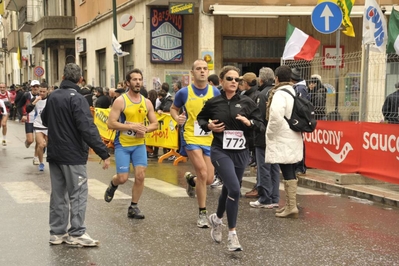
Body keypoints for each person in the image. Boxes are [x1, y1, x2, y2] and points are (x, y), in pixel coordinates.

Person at [41, 63, 111, 247]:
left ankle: (57, 233)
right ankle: (77, 233)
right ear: (80, 80)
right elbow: (87, 128)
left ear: (63, 77)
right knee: (78, 193)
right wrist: (103, 153)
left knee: (58, 195)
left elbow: (44, 119)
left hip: (55, 153)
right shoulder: (78, 99)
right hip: (72, 155)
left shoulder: (53, 96)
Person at [197, 65, 264, 251]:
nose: (234, 82)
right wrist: (209, 126)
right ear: (222, 81)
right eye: (230, 79)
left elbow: (260, 124)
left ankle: (217, 219)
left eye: (237, 79)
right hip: (220, 150)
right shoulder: (214, 102)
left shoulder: (247, 102)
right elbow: (201, 119)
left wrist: (249, 122)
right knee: (235, 189)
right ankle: (232, 235)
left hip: (241, 151)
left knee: (228, 189)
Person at [170, 59, 221, 228]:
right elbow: (173, 108)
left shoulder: (215, 92)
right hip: (191, 136)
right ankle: (202, 214)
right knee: (202, 171)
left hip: (209, 137)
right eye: (198, 68)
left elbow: (220, 111)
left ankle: (191, 180)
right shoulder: (184, 93)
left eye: (205, 69)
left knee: (208, 178)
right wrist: (178, 118)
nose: (202, 71)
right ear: (192, 73)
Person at [103, 68, 158, 219]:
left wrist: (145, 129)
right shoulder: (121, 101)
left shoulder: (146, 102)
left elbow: (155, 124)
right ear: (128, 83)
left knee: (140, 176)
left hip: (139, 144)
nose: (138, 82)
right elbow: (110, 123)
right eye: (134, 79)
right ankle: (113, 184)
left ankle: (133, 207)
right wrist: (131, 126)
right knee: (122, 178)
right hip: (123, 145)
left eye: (140, 79)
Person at [266, 65, 303, 219]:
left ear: (276, 78)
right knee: (290, 169)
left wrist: (270, 133)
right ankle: (289, 205)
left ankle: (291, 206)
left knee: (287, 170)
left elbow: (275, 116)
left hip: (282, 136)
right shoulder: (294, 91)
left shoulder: (280, 94)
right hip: (293, 135)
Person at [250, 67, 281, 209]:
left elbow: (259, 117)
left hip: (263, 136)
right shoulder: (278, 92)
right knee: (274, 167)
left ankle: (265, 198)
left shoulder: (262, 95)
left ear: (260, 80)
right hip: (277, 135)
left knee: (264, 168)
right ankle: (275, 197)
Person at [26, 83, 49, 171]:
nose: (42, 93)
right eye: (40, 91)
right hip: (38, 125)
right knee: (40, 145)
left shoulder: (50, 99)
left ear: (47, 91)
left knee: (47, 144)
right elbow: (28, 110)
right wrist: (35, 102)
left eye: (44, 91)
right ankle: (41, 163)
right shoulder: (35, 99)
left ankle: (44, 153)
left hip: (48, 126)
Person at [291, 68, 309, 176]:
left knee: (298, 143)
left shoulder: (300, 88)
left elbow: (300, 105)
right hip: (296, 119)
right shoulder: (296, 87)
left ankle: (300, 166)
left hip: (299, 120)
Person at [18, 80, 40, 164]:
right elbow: (20, 105)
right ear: (31, 87)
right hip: (29, 119)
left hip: (39, 120)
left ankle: (36, 157)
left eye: (37, 86)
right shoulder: (26, 95)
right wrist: (23, 114)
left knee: (38, 140)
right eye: (34, 86)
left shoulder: (41, 95)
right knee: (30, 140)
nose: (35, 88)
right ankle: (27, 142)